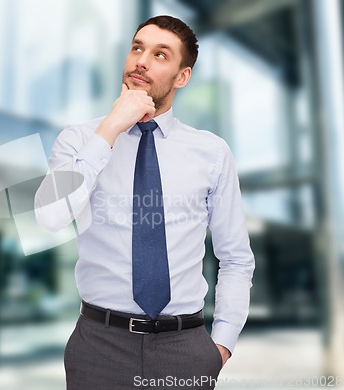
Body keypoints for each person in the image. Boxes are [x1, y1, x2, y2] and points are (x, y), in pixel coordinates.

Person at [35, 15, 255, 390]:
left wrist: (221, 346)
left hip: (184, 347)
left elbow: (235, 257)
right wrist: (110, 128)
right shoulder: (79, 140)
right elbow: (50, 217)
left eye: (160, 54)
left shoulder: (211, 152)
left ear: (182, 76)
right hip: (98, 346)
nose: (141, 60)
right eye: (137, 48)